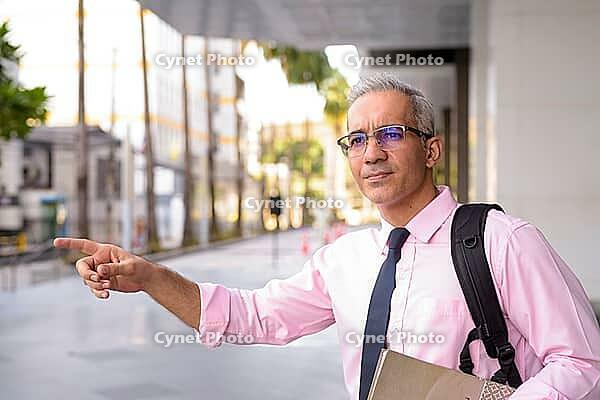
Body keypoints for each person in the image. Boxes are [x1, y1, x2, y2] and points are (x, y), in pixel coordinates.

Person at [54, 72, 600, 399]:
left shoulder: (502, 241)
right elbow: (250, 317)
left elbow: (580, 363)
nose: (372, 152)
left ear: (431, 150)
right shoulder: (346, 260)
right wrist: (149, 277)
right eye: (356, 139)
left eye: (390, 134)